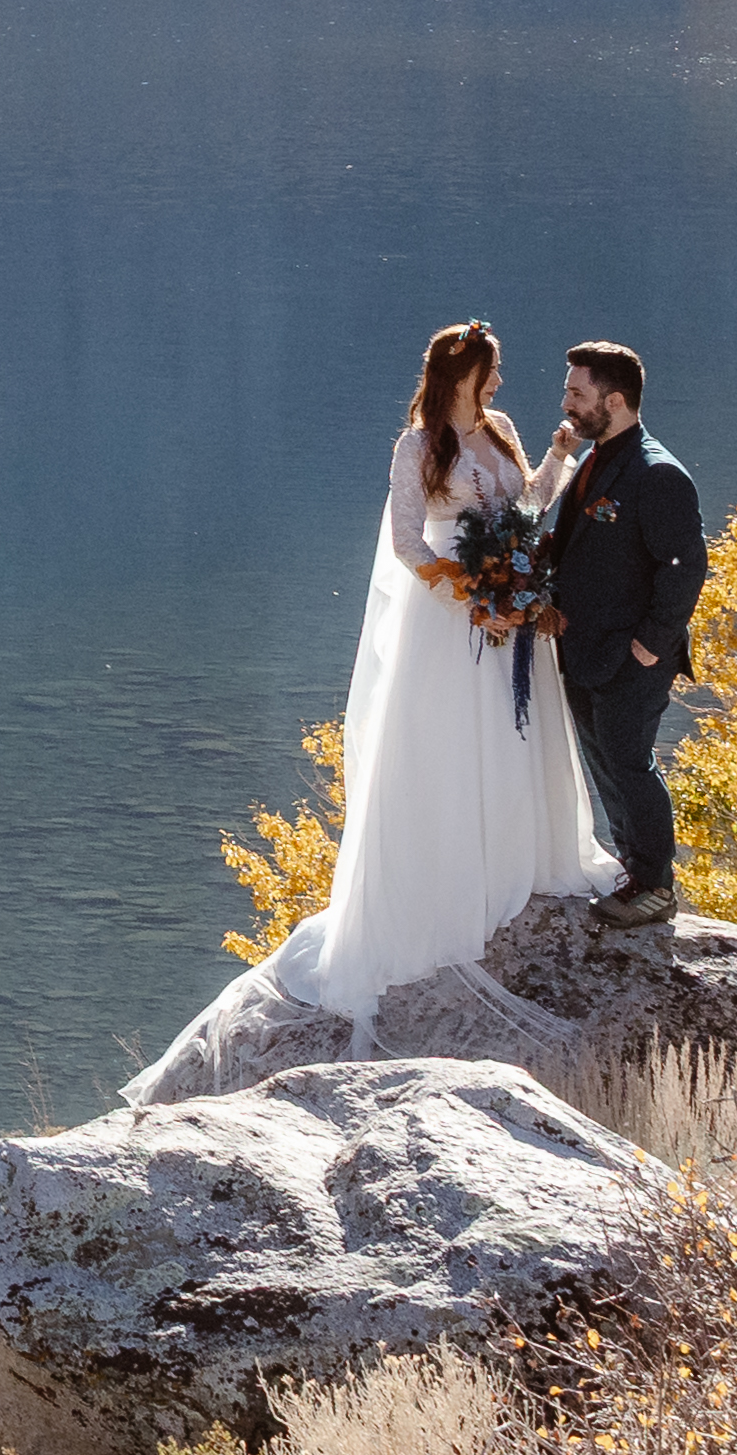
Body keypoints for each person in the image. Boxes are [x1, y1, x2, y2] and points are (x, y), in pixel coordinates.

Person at [237, 317, 601, 1034]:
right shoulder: (416, 446)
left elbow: (521, 508)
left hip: (503, 611)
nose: (498, 381)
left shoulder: (497, 429)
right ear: (463, 374)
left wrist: (556, 462)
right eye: (490, 370)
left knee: (512, 736)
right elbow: (408, 541)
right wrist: (470, 598)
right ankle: (447, 890)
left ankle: (515, 867)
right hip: (445, 621)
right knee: (446, 748)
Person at [528, 336, 711, 924]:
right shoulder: (594, 458)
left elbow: (686, 566)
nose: (566, 404)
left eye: (576, 394)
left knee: (630, 762)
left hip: (631, 656)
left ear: (614, 399)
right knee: (605, 760)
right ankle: (634, 868)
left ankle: (656, 885)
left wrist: (652, 644)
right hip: (583, 649)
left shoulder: (658, 474)